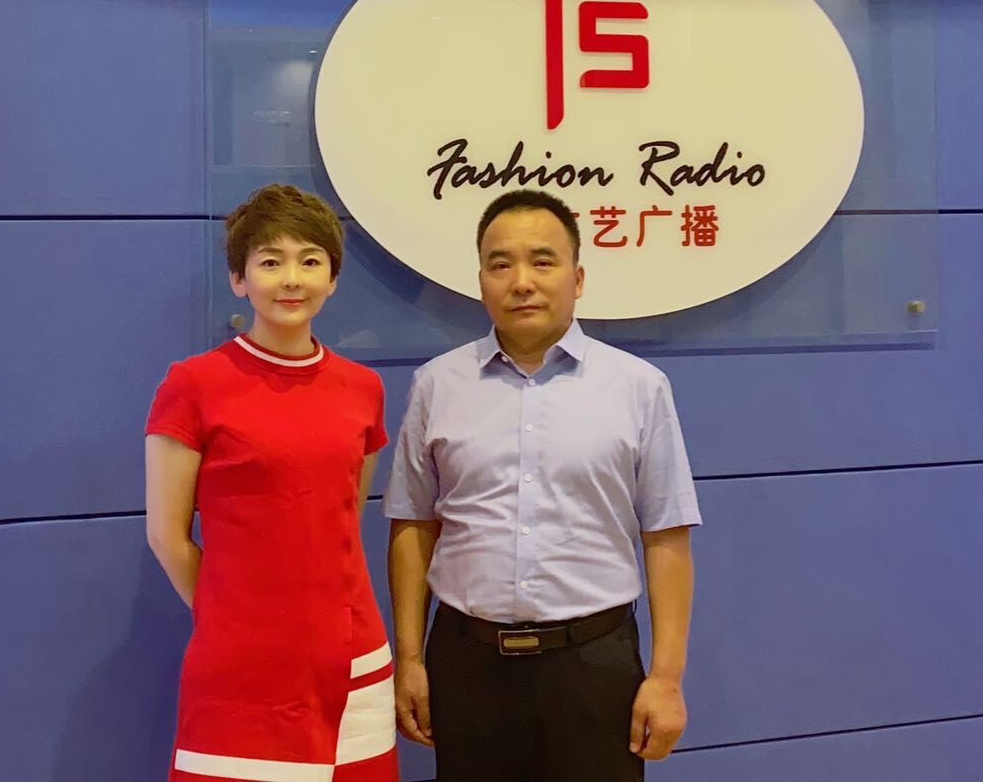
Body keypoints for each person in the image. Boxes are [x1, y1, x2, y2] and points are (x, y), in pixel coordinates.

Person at [383, 189, 701, 781]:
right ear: (481, 281)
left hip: (594, 665)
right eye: (501, 264)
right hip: (467, 664)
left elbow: (666, 535)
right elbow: (413, 524)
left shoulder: (639, 387)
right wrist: (409, 658)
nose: (521, 282)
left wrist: (666, 677)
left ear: (577, 279)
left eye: (543, 261)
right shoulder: (436, 385)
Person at [144, 183, 399, 781]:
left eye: (310, 261)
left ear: (332, 279)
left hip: (353, 652)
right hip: (242, 665)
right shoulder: (194, 385)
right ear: (239, 278)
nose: (292, 279)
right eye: (269, 262)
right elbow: (166, 536)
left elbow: (343, 515)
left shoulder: (363, 389)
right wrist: (234, 615)